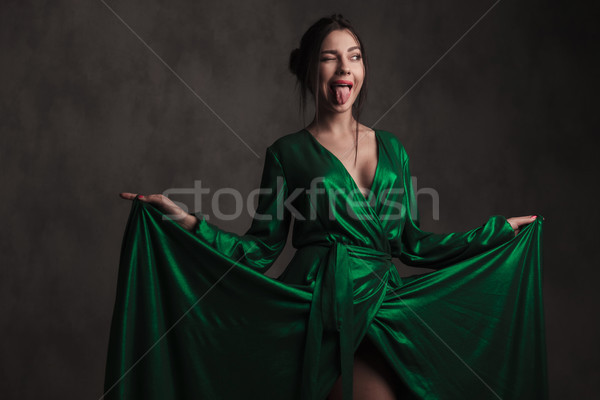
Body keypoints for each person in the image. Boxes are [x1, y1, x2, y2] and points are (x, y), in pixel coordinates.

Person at [109, 14, 547, 400]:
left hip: (385, 309)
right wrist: (185, 221)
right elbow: (261, 250)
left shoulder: (393, 149)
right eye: (329, 57)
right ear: (309, 70)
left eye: (354, 56)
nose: (344, 68)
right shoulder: (286, 153)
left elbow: (413, 244)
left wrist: (497, 233)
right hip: (319, 308)